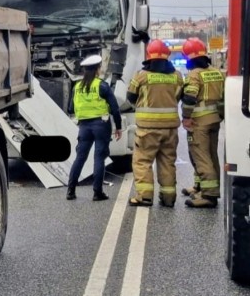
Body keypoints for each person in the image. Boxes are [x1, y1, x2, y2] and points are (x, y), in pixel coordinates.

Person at [127, 39, 184, 207]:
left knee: (142, 161)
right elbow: (179, 97)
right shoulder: (177, 76)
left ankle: (144, 196)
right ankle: (168, 198)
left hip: (147, 129)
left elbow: (131, 97)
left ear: (149, 56)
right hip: (170, 129)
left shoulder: (141, 76)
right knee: (167, 162)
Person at [66, 55, 123, 201]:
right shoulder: (102, 85)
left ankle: (70, 191)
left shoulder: (77, 87)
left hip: (84, 126)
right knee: (99, 158)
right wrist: (118, 127)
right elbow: (115, 108)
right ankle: (97, 193)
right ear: (97, 69)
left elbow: (71, 108)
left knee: (80, 158)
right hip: (101, 125)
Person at [179, 37, 225, 208]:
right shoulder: (217, 73)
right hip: (214, 121)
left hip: (199, 123)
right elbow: (222, 100)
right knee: (212, 156)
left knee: (201, 156)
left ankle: (209, 195)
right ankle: (200, 188)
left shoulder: (194, 75)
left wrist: (186, 117)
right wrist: (219, 116)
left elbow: (190, 98)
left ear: (189, 58)